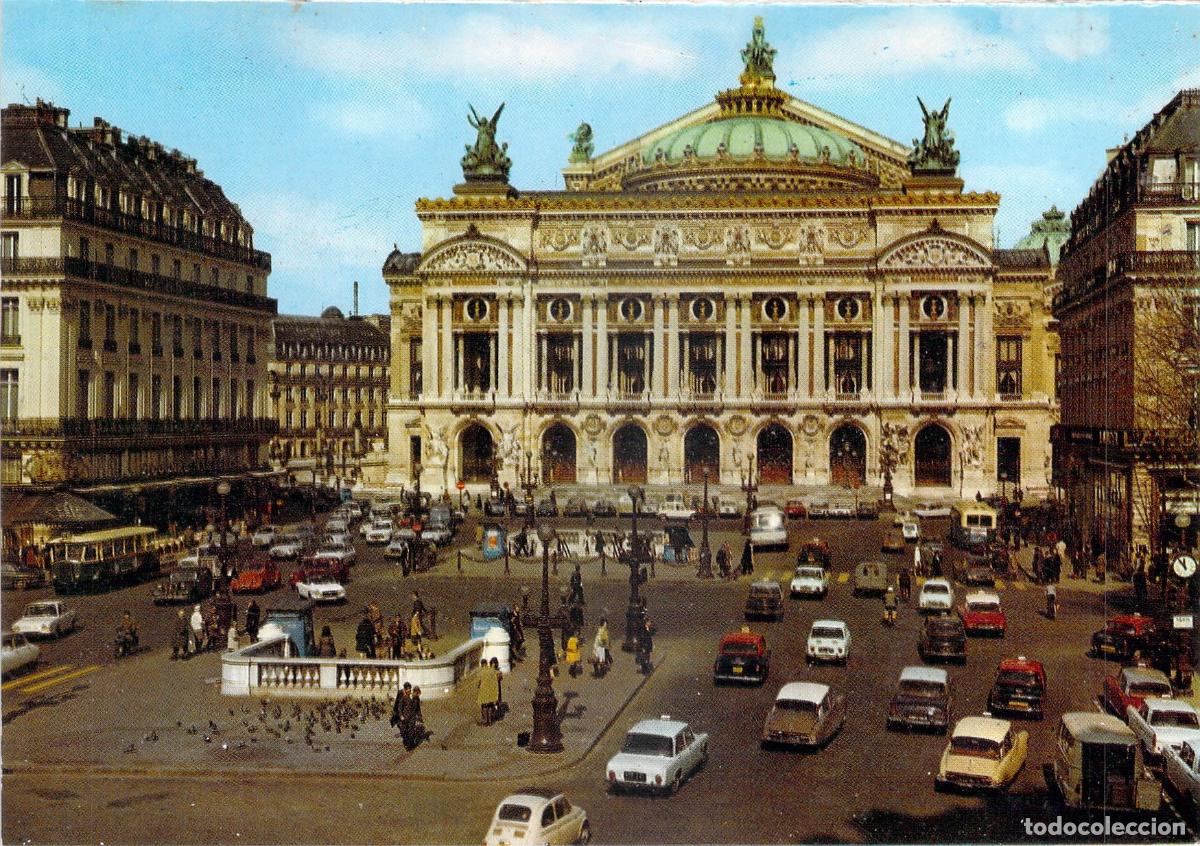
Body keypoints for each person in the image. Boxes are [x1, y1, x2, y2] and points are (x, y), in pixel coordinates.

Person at [476, 659, 499, 725]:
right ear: (487, 663)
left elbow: (478, 682)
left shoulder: (481, 672)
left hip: (484, 691)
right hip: (492, 691)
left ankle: (485, 720)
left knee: (484, 706)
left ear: (481, 664)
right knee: (490, 706)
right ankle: (490, 720)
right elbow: (498, 674)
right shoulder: (492, 670)